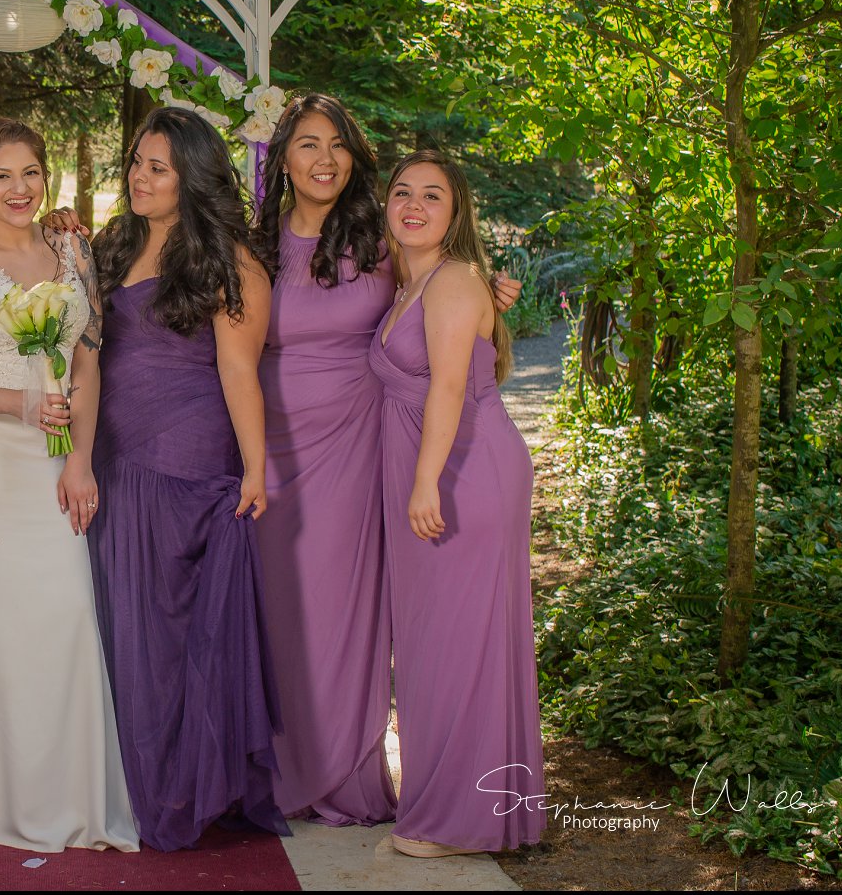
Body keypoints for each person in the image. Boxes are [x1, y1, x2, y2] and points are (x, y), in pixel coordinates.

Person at [0, 118, 138, 853]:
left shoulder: (73, 251)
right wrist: (16, 405)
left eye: (31, 173)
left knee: (66, 611)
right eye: (1, 176)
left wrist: (79, 461)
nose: (19, 189)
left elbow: (89, 363)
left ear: (49, 178)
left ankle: (70, 795)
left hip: (52, 454)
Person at [86, 105, 286, 852]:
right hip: (111, 452)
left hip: (186, 458)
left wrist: (255, 468)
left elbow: (239, 373)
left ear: (191, 177)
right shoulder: (115, 245)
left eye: (157, 167)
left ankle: (175, 791)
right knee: (124, 627)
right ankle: (134, 781)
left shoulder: (231, 263)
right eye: (136, 161)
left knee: (170, 632)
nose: (139, 175)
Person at [369, 148, 544, 857]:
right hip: (438, 468)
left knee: (458, 645)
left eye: (431, 196)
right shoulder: (410, 283)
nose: (413, 205)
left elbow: (447, 387)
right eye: (402, 192)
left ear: (456, 212)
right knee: (435, 645)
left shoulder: (452, 280)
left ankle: (456, 821)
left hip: (460, 474)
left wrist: (422, 480)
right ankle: (470, 807)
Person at [248, 93, 400, 827]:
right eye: (308, 144)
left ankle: (345, 773)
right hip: (265, 449)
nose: (325, 159)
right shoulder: (252, 245)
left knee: (342, 611)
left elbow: (438, 300)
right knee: (277, 615)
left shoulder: (381, 240)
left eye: (338, 144)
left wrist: (489, 297)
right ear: (282, 158)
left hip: (354, 443)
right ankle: (278, 771)